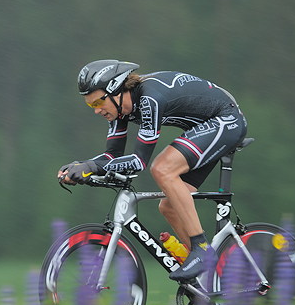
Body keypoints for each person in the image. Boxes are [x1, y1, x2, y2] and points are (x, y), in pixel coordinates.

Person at [58, 60, 247, 282]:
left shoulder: (149, 99)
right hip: (202, 128)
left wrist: (91, 168)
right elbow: (111, 156)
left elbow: (139, 161)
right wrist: (82, 166)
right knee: (169, 207)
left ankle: (202, 250)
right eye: (91, 105)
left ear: (116, 90)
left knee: (162, 168)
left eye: (99, 102)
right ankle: (209, 280)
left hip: (226, 120)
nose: (97, 110)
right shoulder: (119, 109)